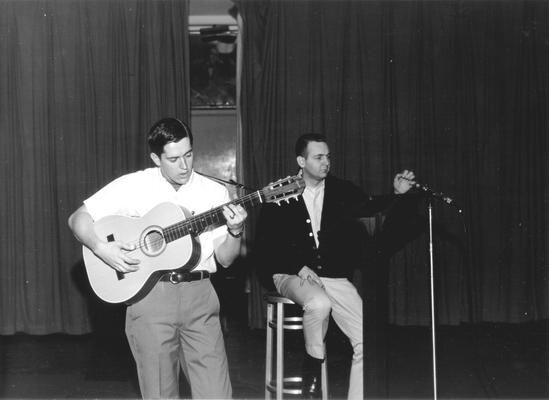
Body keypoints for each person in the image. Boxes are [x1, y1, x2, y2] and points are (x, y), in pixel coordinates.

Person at [68, 117, 247, 399]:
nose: (185, 166)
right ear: (156, 158)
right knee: (159, 393)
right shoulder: (134, 185)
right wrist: (103, 249)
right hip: (150, 298)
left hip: (200, 296)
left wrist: (236, 231)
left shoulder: (215, 192)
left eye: (188, 155)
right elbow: (78, 219)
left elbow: (225, 259)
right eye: (174, 159)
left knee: (216, 394)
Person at [254, 133, 415, 400]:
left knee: (368, 340)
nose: (326, 162)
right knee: (319, 304)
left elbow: (369, 205)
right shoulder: (280, 191)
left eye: (328, 156)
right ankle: (312, 375)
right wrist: (298, 265)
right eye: (318, 157)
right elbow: (266, 245)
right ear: (301, 161)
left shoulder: (341, 189)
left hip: (331, 277)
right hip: (289, 273)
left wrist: (397, 195)